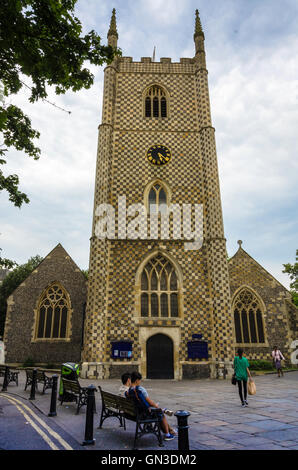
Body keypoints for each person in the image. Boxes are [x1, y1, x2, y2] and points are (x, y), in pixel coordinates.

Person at [125, 371, 176, 440]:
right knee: (160, 414)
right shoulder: (140, 389)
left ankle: (170, 430)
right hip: (143, 414)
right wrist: (155, 406)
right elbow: (149, 402)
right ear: (137, 380)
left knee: (158, 411)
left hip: (134, 413)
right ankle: (167, 434)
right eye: (140, 380)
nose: (140, 382)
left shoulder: (129, 391)